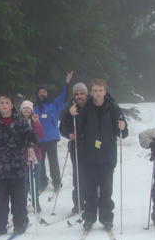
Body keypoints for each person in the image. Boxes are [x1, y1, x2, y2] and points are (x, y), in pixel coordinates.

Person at [65, 78, 127, 231]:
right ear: (91, 93)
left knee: (106, 190)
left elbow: (122, 133)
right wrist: (71, 115)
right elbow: (75, 129)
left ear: (105, 92)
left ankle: (106, 218)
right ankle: (89, 217)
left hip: (107, 156)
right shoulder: (85, 109)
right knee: (90, 190)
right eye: (95, 91)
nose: (98, 93)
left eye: (100, 90)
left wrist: (122, 127)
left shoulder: (113, 108)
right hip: (89, 156)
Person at [0, 95, 37, 235]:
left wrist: (30, 139)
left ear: (12, 105)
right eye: (2, 103)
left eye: (7, 103)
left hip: (17, 166)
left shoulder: (20, 121)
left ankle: (20, 222)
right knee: (0, 198)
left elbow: (30, 136)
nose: (4, 105)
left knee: (19, 198)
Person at [34, 71, 74, 193]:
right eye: (40, 92)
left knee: (53, 162)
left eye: (44, 91)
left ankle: (56, 182)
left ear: (47, 93)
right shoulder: (34, 108)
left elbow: (63, 96)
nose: (42, 93)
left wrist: (67, 83)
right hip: (39, 140)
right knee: (40, 163)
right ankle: (43, 182)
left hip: (51, 138)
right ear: (37, 94)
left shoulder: (54, 105)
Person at [59, 81, 89, 215]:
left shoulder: (91, 106)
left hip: (91, 146)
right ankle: (78, 203)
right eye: (77, 94)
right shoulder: (69, 108)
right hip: (76, 146)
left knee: (91, 175)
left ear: (86, 94)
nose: (79, 96)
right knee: (78, 176)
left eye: (82, 94)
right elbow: (62, 127)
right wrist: (69, 134)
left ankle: (92, 201)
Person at [20, 100, 44, 214]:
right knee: (24, 182)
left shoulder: (34, 122)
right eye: (24, 108)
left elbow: (40, 135)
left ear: (32, 110)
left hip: (35, 156)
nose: (26, 110)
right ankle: (23, 203)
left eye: (28, 108)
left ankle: (36, 201)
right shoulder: (18, 122)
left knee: (35, 181)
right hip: (23, 157)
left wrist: (36, 123)